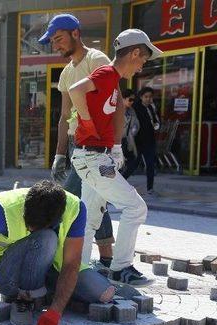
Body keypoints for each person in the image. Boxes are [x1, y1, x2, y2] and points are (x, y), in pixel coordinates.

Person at [0, 180, 116, 325]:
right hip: (4, 272)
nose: (29, 229)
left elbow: (71, 264)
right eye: (28, 224)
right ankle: (25, 299)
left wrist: (55, 313)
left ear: (56, 220)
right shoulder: (1, 211)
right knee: (46, 239)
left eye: (34, 227)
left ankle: (48, 294)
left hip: (48, 265)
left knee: (103, 293)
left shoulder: (75, 209)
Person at [68, 29, 162, 286]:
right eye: (142, 59)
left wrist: (113, 147)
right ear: (133, 53)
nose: (142, 64)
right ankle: (121, 268)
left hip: (94, 157)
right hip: (92, 159)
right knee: (136, 207)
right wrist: (86, 122)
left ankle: (79, 272)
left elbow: (107, 117)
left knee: (89, 219)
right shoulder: (108, 74)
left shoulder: (113, 80)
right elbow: (76, 90)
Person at [44, 13, 119, 272]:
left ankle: (64, 258)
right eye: (53, 41)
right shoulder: (67, 72)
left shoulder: (96, 60)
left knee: (69, 199)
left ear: (75, 33)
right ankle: (108, 258)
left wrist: (116, 145)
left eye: (59, 39)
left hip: (96, 144)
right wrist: (59, 154)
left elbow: (114, 102)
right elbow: (65, 116)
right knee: (94, 197)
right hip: (78, 144)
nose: (57, 45)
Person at [123, 87, 158, 194]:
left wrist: (156, 125)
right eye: (145, 97)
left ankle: (150, 188)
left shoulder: (151, 108)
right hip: (137, 141)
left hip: (149, 140)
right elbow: (132, 124)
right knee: (133, 165)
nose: (148, 99)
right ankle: (119, 185)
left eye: (150, 97)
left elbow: (156, 121)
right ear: (141, 97)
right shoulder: (135, 108)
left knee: (150, 164)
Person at [120, 89, 140, 173]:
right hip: (117, 141)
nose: (132, 102)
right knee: (118, 165)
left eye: (133, 100)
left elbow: (136, 125)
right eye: (130, 99)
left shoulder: (131, 111)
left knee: (132, 163)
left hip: (128, 140)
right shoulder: (116, 110)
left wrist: (132, 132)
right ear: (123, 98)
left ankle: (122, 181)